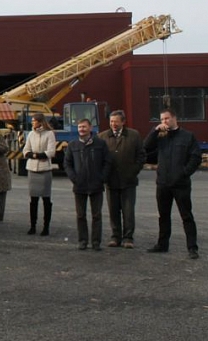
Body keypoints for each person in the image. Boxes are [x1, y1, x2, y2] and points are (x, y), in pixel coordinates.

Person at [144, 108, 202, 259]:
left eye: (167, 118)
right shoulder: (161, 136)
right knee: (163, 216)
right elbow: (145, 147)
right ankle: (162, 244)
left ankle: (192, 248)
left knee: (186, 216)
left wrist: (184, 173)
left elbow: (195, 157)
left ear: (175, 118)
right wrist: (155, 131)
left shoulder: (187, 136)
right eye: (162, 119)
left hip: (181, 184)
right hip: (163, 183)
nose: (164, 122)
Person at [98, 110, 145, 248]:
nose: (113, 124)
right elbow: (99, 158)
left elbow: (141, 156)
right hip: (111, 181)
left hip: (128, 181)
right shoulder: (102, 137)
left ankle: (128, 238)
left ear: (123, 122)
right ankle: (115, 237)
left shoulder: (134, 135)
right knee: (113, 211)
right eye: (111, 121)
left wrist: (133, 171)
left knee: (128, 211)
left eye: (116, 121)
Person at [64, 118, 112, 250]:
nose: (82, 129)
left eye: (84, 127)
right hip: (79, 186)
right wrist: (74, 178)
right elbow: (67, 164)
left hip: (96, 185)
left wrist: (102, 178)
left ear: (90, 128)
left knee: (97, 215)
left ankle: (96, 242)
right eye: (79, 127)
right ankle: (83, 241)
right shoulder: (72, 145)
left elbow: (107, 162)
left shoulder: (100, 144)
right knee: (81, 215)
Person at [22, 113, 56, 236]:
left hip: (44, 170)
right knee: (33, 200)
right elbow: (25, 150)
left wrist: (36, 155)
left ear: (40, 122)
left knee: (46, 199)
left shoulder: (49, 134)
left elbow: (51, 152)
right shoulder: (31, 134)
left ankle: (46, 227)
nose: (32, 123)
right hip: (32, 169)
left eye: (34, 121)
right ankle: (32, 226)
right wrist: (33, 155)